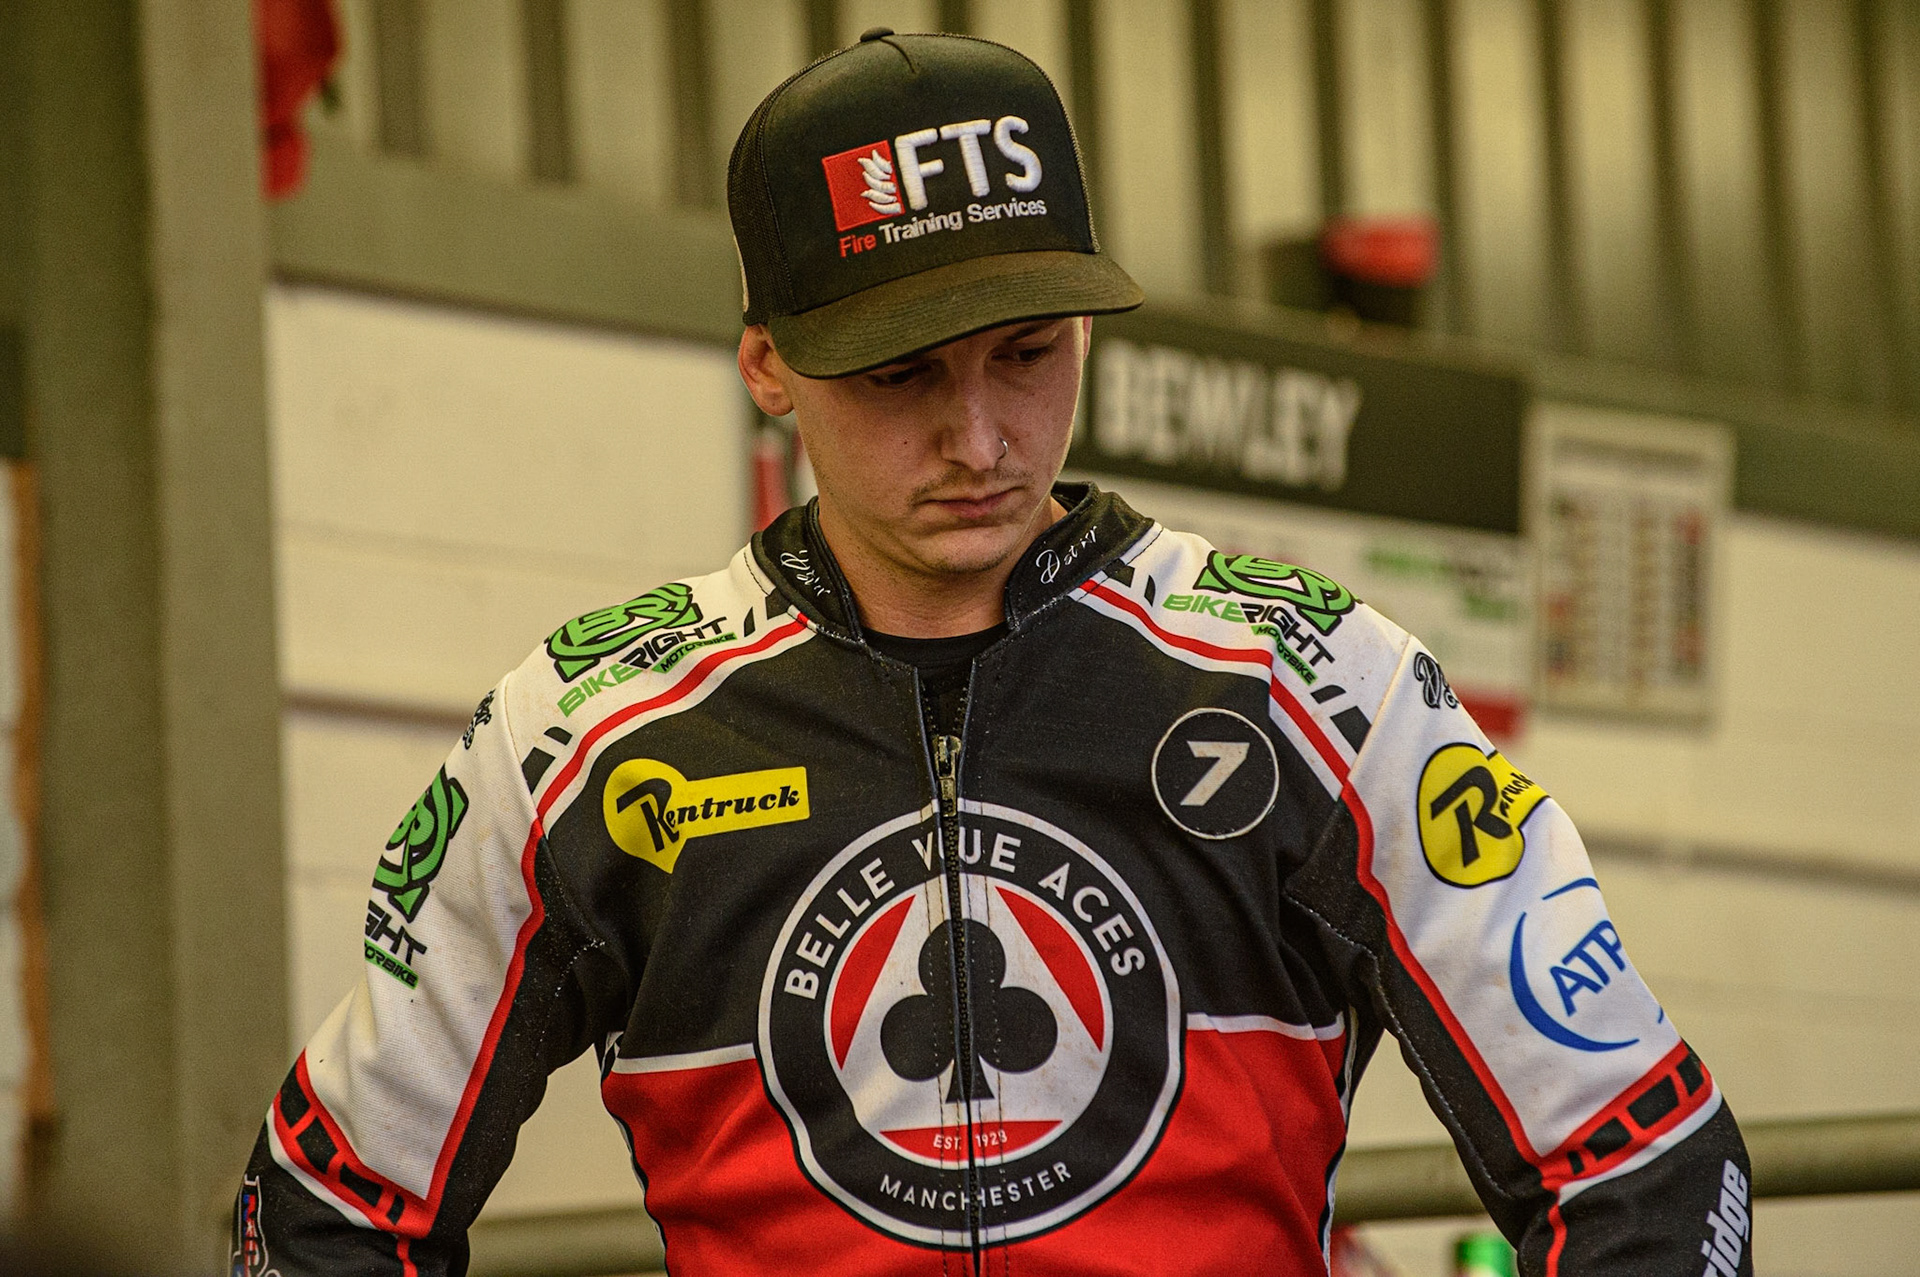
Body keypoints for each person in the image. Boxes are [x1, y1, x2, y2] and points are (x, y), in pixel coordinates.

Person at [233, 29, 1753, 1277]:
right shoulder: (586, 733)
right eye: (900, 374)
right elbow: (328, 1206)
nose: (978, 437)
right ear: (767, 362)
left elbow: (1647, 1161)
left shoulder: (1319, 690)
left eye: (1029, 353)